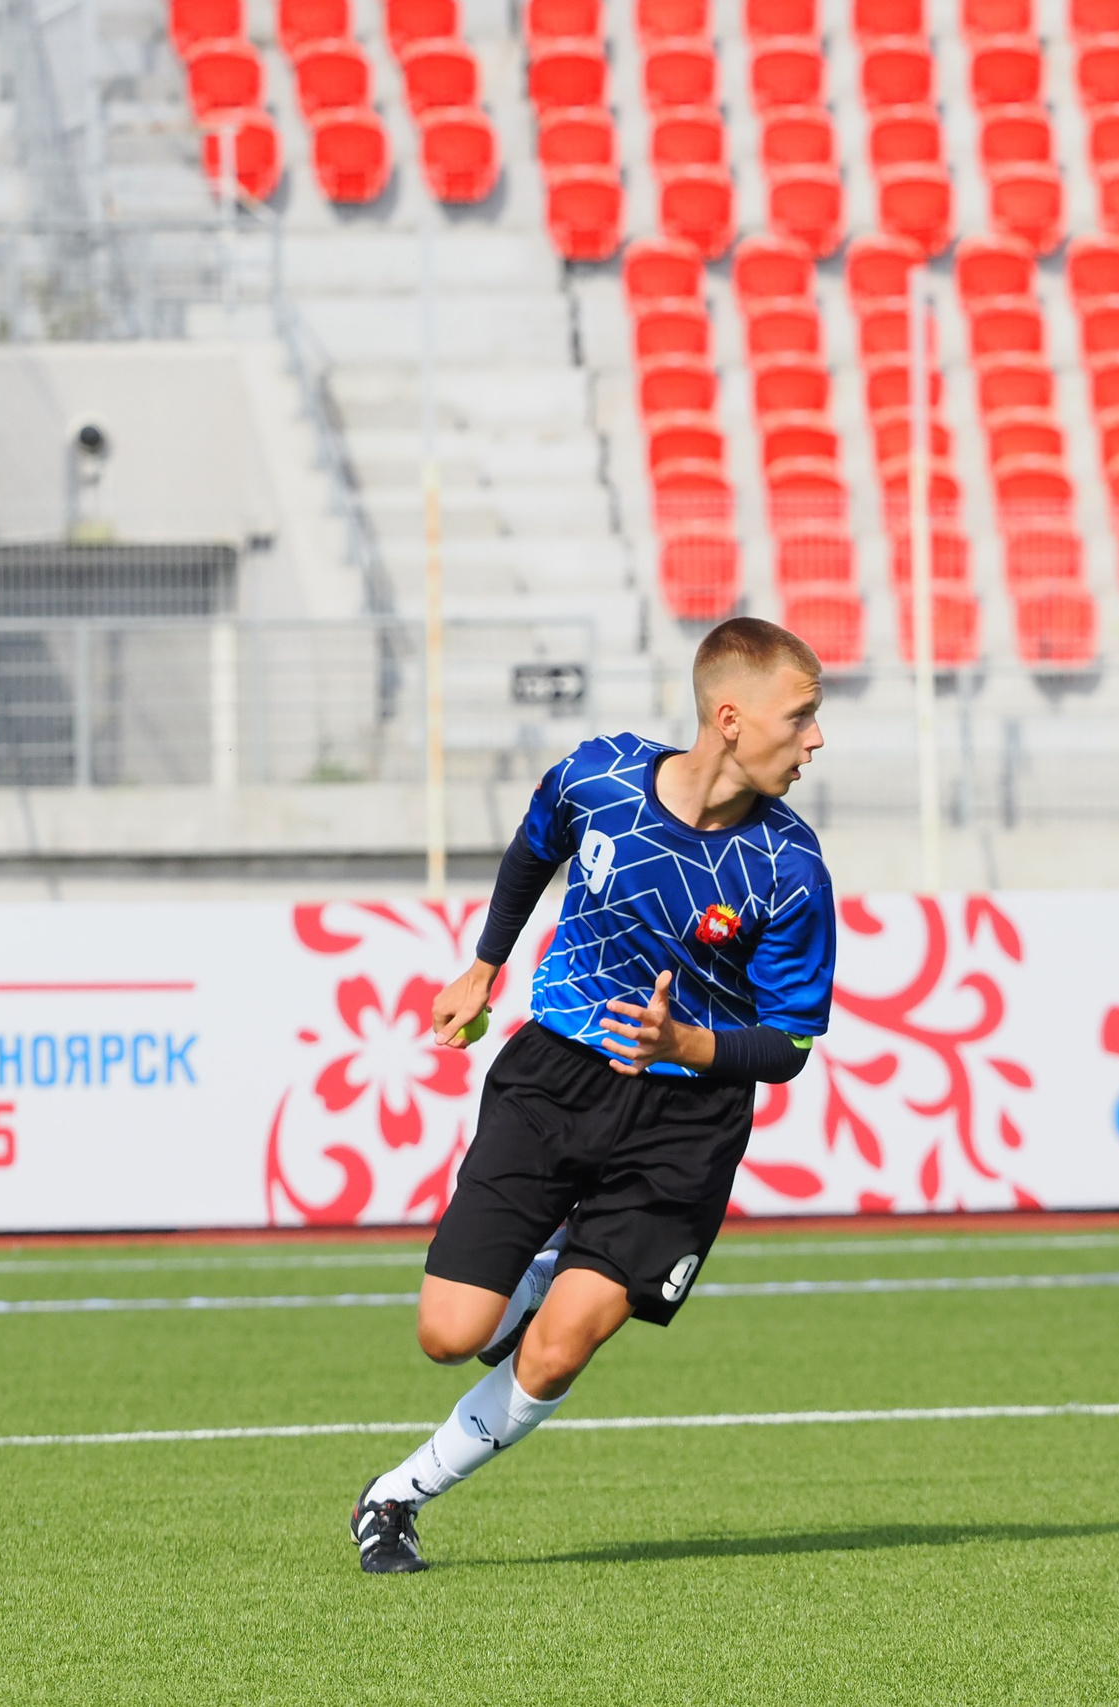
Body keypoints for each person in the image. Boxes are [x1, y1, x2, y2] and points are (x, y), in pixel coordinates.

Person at [349, 617, 838, 1573]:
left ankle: (397, 1496)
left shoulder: (791, 867)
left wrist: (687, 1042)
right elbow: (535, 848)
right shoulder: (599, 777)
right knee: (450, 1334)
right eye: (803, 714)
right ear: (730, 718)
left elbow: (787, 1045)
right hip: (556, 1078)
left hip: (687, 1121)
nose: (816, 738)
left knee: (560, 1349)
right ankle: (542, 1272)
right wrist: (484, 967)